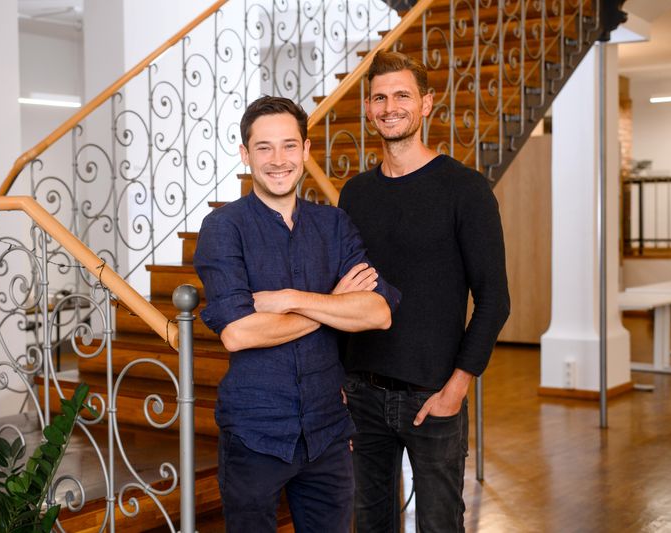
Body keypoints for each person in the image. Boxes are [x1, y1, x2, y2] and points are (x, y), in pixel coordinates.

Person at [194, 95, 400, 532]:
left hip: (327, 429)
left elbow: (378, 312)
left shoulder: (334, 225)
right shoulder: (223, 228)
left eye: (289, 145)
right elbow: (239, 334)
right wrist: (332, 302)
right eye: (264, 147)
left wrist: (291, 297)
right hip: (254, 431)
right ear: (245, 154)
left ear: (306, 151)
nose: (278, 160)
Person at [339, 51, 510, 532]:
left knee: (439, 525)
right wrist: (340, 379)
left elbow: (495, 300)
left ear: (427, 103)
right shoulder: (355, 194)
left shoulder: (466, 190)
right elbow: (345, 294)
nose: (389, 106)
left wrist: (457, 388)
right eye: (379, 97)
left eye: (401, 95)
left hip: (433, 397)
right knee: (370, 523)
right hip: (363, 393)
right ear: (369, 109)